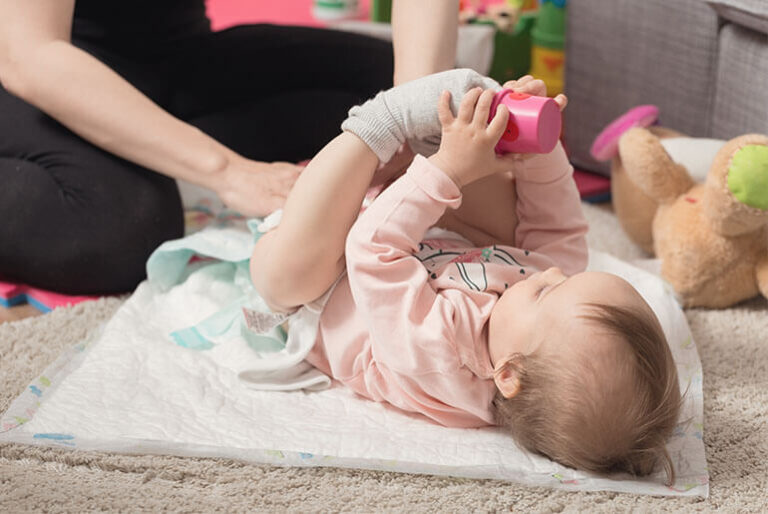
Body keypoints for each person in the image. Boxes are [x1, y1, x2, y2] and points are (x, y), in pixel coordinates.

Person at [250, 69, 682, 480]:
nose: (550, 272)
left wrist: (448, 171)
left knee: (293, 275)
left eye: (546, 292)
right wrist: (539, 149)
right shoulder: (532, 329)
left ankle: (383, 120)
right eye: (569, 280)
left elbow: (370, 252)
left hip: (328, 282)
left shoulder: (438, 354)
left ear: (508, 375)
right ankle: (467, 135)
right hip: (406, 237)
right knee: (515, 222)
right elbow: (559, 228)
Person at [0, 0, 459, 295]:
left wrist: (413, 116)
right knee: (123, 225)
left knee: (392, 89)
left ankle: (150, 143)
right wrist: (229, 173)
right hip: (33, 63)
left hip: (172, 58)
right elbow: (28, 54)